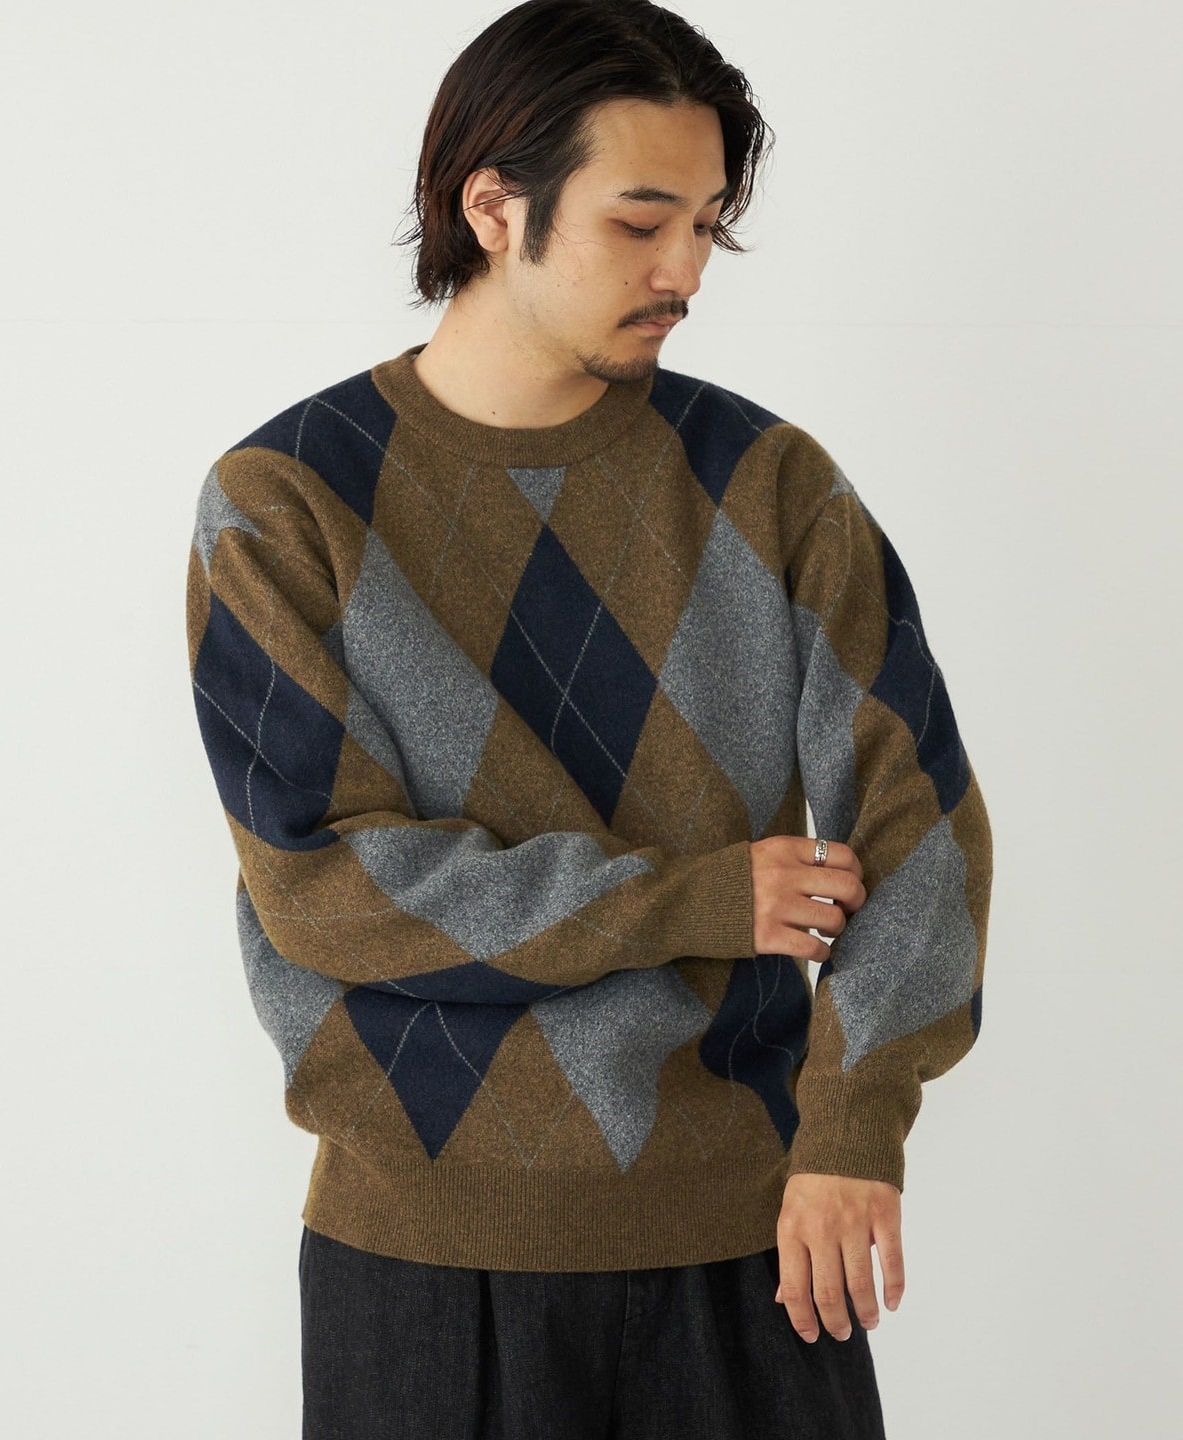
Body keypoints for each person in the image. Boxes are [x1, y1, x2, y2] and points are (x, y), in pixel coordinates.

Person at [186, 1, 992, 1434]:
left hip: (754, 1233)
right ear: (492, 206)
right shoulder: (285, 505)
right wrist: (696, 900)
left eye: (708, 225)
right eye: (640, 221)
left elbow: (915, 820)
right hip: (421, 1261)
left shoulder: (768, 484)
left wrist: (855, 1130)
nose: (686, 270)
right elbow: (326, 887)